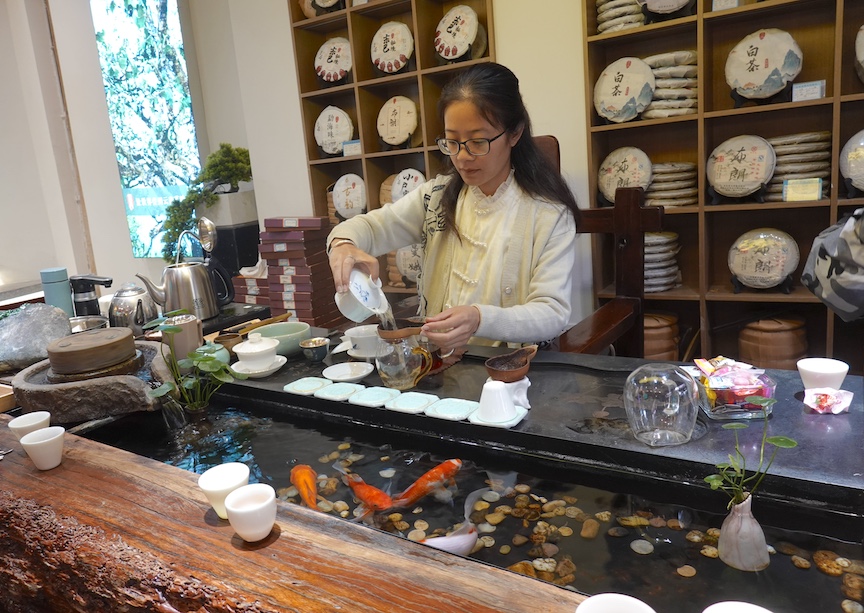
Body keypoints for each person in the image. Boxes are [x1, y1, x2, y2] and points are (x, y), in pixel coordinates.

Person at [327, 62, 580, 352]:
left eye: (477, 141)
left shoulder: (548, 214)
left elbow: (552, 312)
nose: (462, 157)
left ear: (514, 133)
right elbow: (372, 227)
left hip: (509, 370)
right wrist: (343, 244)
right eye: (452, 141)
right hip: (439, 363)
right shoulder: (436, 197)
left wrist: (479, 318)